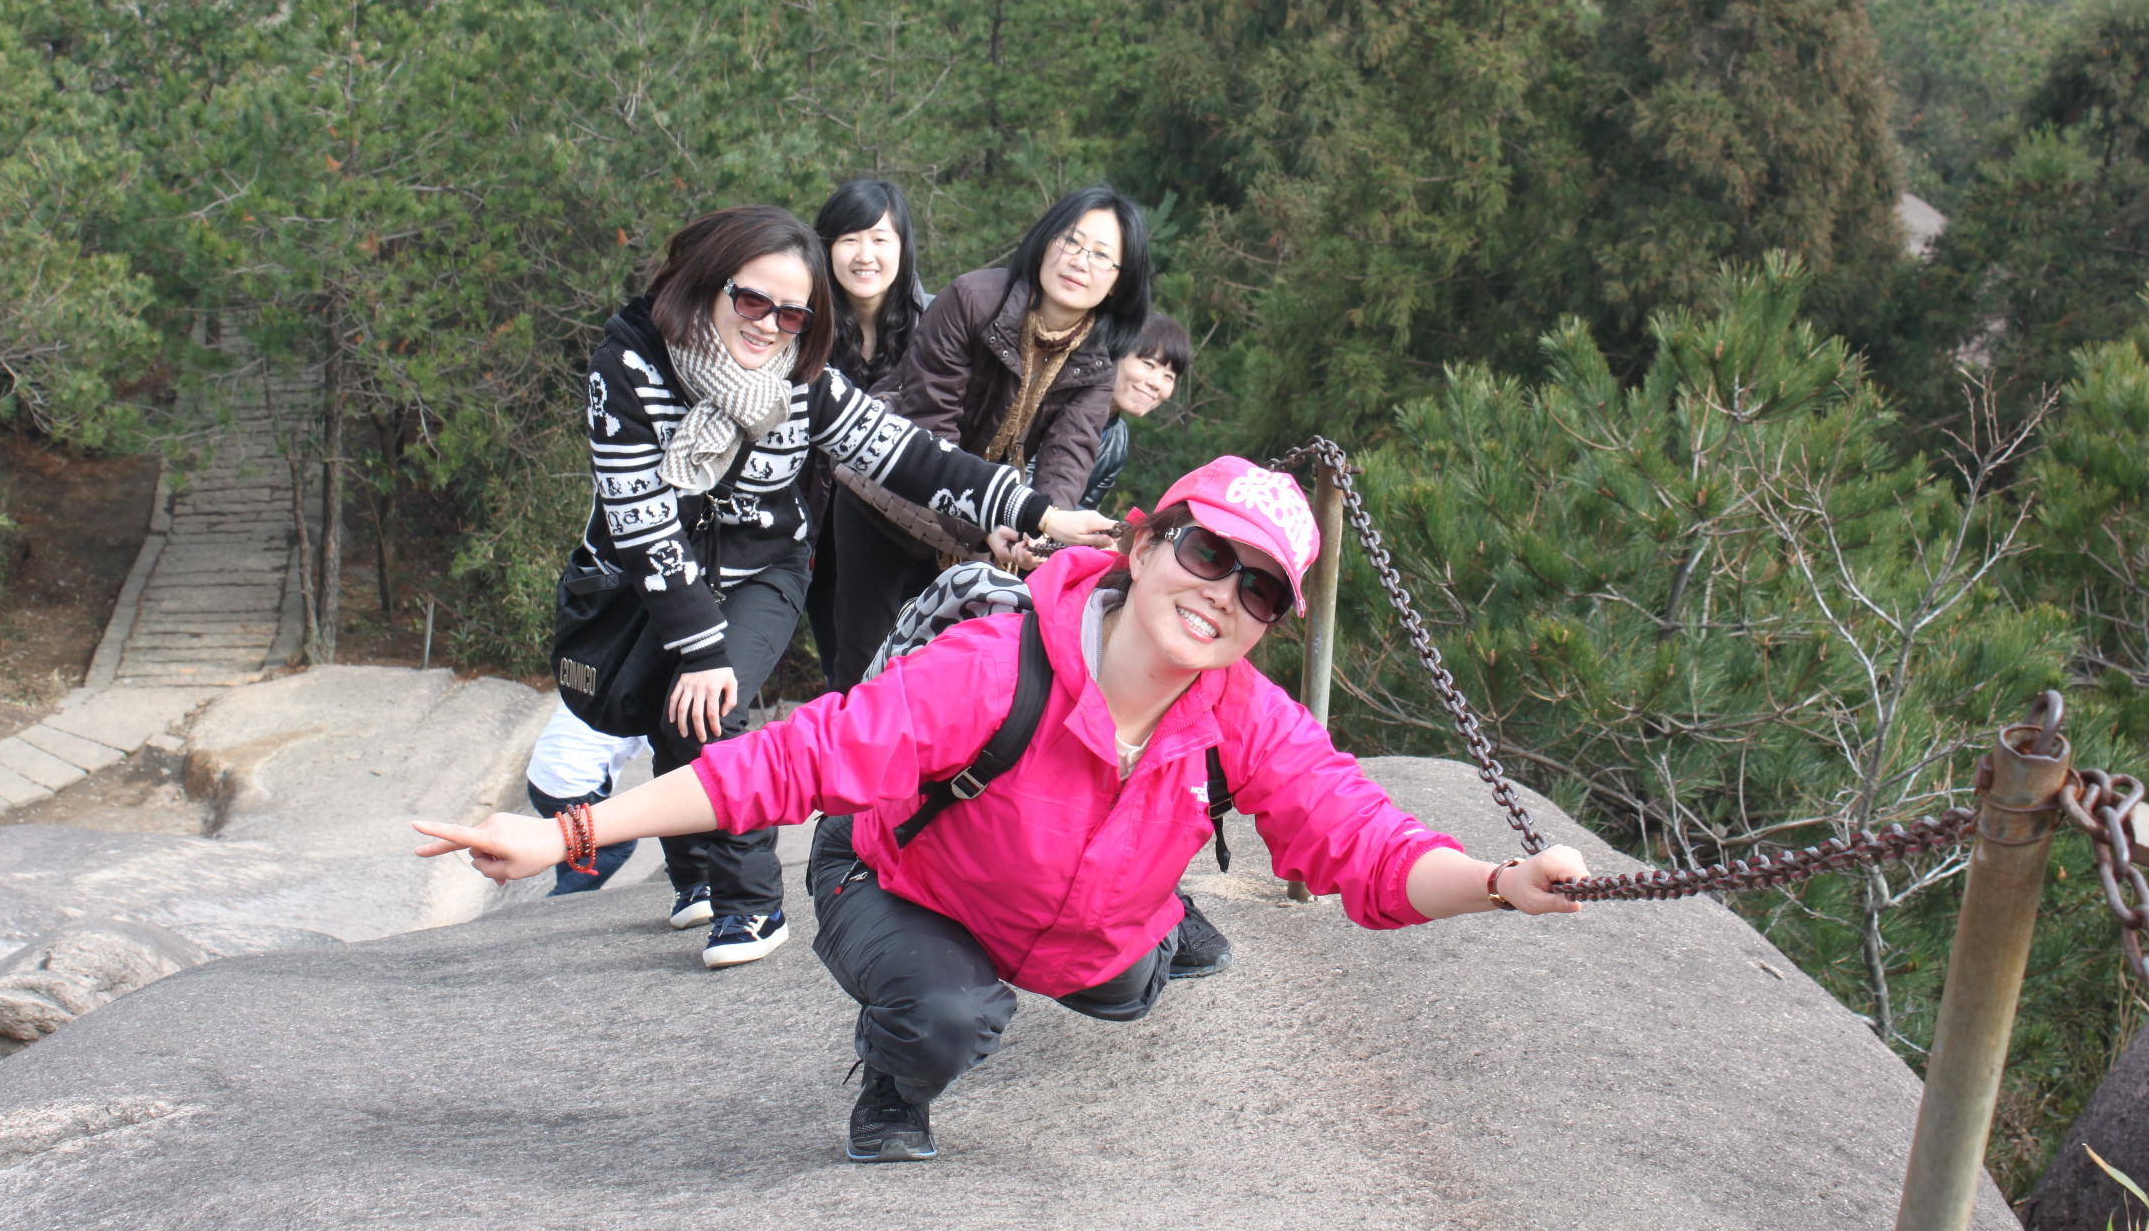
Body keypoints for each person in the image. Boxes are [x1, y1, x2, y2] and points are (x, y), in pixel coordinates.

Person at [416, 455, 1590, 1163]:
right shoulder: (997, 665)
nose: (1222, 591)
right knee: (950, 1010)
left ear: (1270, 620)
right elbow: (791, 755)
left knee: (1128, 991)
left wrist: (1498, 883)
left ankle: (1153, 922)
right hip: (905, 875)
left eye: (1260, 587)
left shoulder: (1246, 718)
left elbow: (1364, 842)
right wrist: (567, 830)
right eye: (1205, 550)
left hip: (1079, 912)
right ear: (1144, 542)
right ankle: (893, 1084)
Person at [557, 205, 1114, 969]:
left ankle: (751, 905)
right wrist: (694, 644)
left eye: (792, 314)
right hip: (651, 570)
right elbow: (640, 517)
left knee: (714, 705)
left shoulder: (803, 379)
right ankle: (693, 877)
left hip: (761, 567)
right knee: (671, 711)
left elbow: (912, 457)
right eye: (752, 301)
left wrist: (1039, 513)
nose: (769, 327)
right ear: (707, 284)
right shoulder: (630, 365)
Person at [828, 184, 1151, 689]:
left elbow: (1068, 458)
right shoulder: (972, 299)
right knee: (861, 670)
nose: (1079, 261)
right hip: (887, 505)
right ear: (1045, 242)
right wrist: (986, 525)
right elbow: (929, 425)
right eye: (1071, 241)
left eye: (1101, 256)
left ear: (1118, 281)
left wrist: (1037, 538)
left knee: (932, 678)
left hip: (976, 527)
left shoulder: (1097, 361)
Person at [804, 178, 930, 692]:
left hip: (915, 533)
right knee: (849, 675)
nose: (865, 255)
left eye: (880, 239)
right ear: (826, 248)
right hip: (823, 537)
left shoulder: (936, 324)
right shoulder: (801, 325)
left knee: (915, 678)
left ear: (903, 247)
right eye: (849, 239)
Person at [521, 704, 645, 895]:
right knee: (621, 842)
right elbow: (668, 750)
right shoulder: (644, 701)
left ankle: (569, 898)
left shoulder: (592, 687)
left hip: (539, 780)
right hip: (570, 790)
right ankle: (558, 900)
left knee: (573, 844)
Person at [1081, 311, 1191, 513]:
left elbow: (1082, 511)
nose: (1156, 383)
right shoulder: (1054, 403)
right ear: (1114, 351)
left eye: (1169, 376)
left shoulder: (1117, 440)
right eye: (1149, 364)